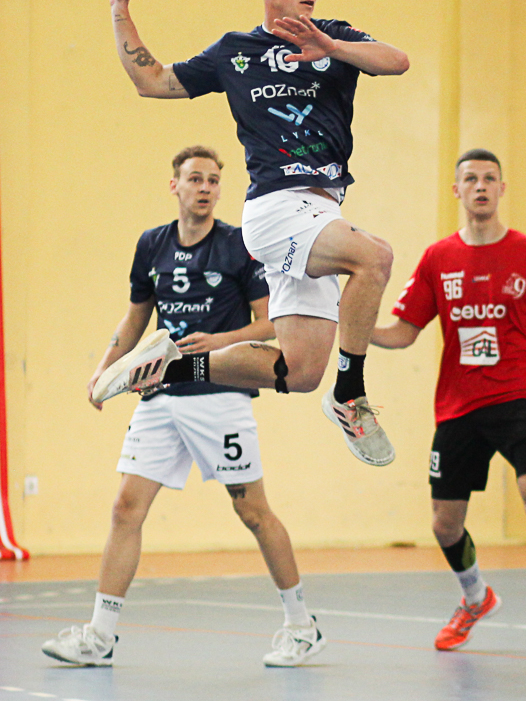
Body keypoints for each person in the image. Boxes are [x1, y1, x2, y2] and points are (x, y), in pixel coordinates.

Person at [91, 0, 410, 468]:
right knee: (374, 257)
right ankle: (350, 393)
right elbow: (152, 80)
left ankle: (173, 367)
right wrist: (120, 8)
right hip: (276, 207)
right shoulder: (235, 51)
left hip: (322, 210)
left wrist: (332, 49)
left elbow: (397, 61)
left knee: (299, 372)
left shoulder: (335, 36)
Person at [42, 146, 325, 668]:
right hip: (160, 395)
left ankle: (302, 626)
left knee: (252, 511)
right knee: (126, 508)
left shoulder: (238, 245)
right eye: (195, 178)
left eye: (213, 180)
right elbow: (136, 318)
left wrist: (219, 342)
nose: (205, 188)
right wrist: (104, 370)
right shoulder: (151, 244)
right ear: (174, 185)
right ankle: (99, 636)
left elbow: (270, 323)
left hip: (220, 396)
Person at [371, 149, 526, 669]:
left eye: (489, 179)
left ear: (501, 189)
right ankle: (476, 597)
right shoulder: (437, 259)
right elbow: (404, 332)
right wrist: (355, 329)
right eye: (470, 179)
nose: (480, 186)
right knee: (444, 525)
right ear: (456, 190)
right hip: (458, 406)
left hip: (518, 396)